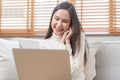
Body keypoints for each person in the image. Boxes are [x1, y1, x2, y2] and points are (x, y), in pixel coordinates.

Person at [39, 1, 96, 80]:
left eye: (65, 21)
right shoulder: (44, 44)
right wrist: (62, 43)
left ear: (71, 24)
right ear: (51, 18)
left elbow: (75, 74)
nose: (59, 25)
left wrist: (67, 43)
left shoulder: (78, 38)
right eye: (56, 19)